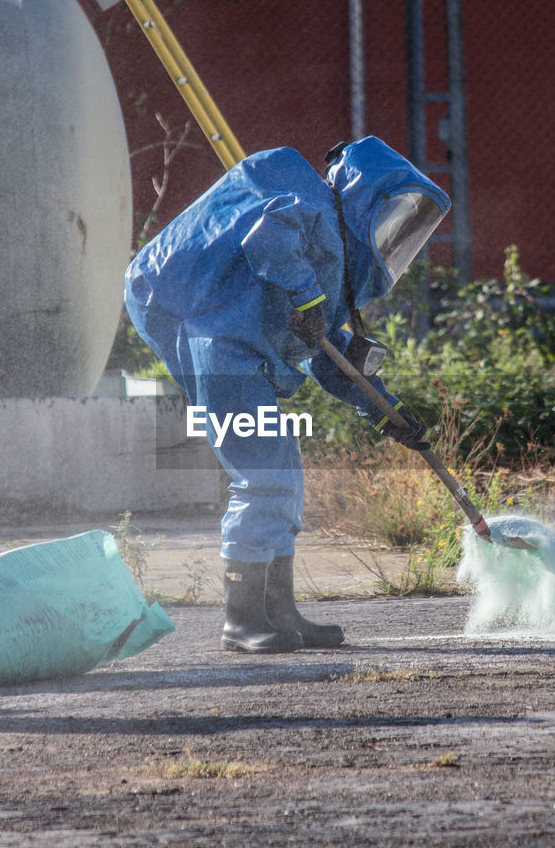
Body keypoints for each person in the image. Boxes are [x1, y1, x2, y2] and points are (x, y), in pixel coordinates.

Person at [125, 136, 450, 653]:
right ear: (365, 194)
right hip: (209, 336)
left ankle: (280, 612)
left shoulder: (327, 258)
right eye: (391, 215)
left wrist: (386, 411)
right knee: (263, 474)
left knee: (283, 472)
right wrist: (307, 295)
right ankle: (242, 618)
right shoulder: (311, 213)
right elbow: (268, 239)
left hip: (230, 338)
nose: (394, 235)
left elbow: (327, 351)